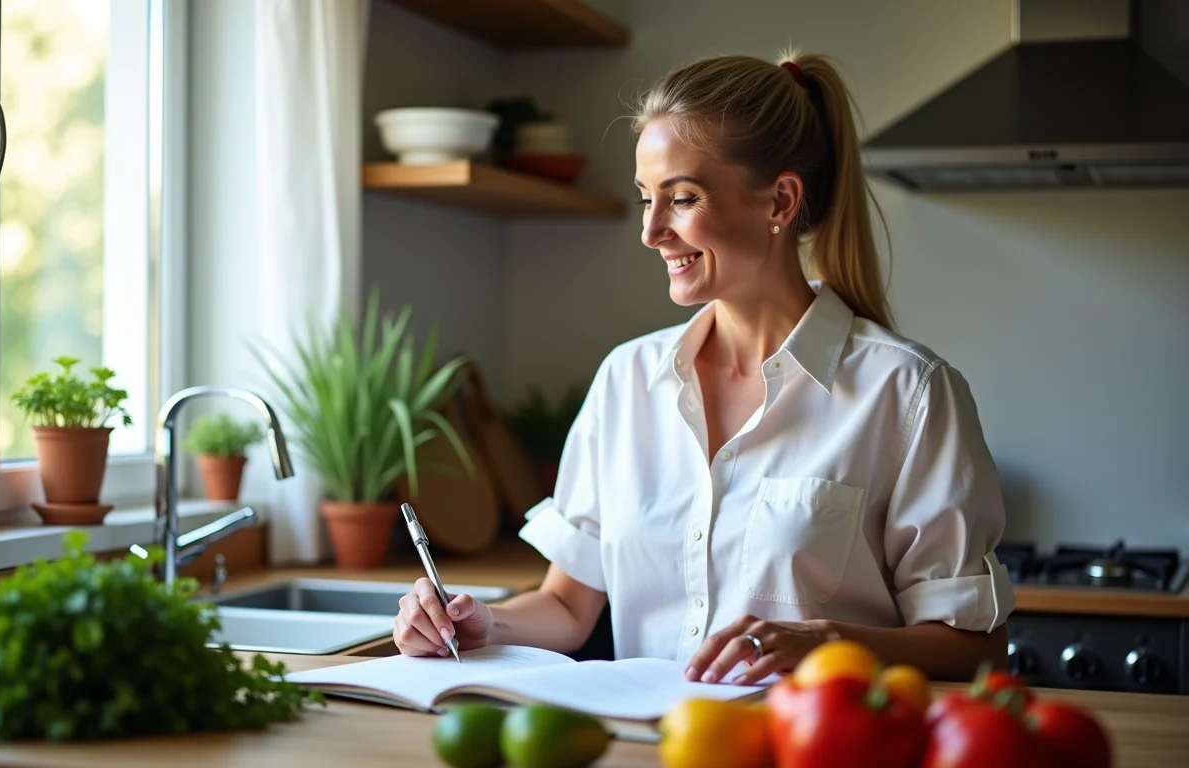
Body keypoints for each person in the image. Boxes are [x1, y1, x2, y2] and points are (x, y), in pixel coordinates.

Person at [393, 51, 1014, 685]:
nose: (651, 231)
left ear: (780, 201)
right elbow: (567, 606)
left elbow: (976, 649)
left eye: (682, 198)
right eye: (646, 199)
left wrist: (825, 642)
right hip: (652, 737)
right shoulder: (626, 381)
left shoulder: (908, 392)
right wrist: (480, 623)